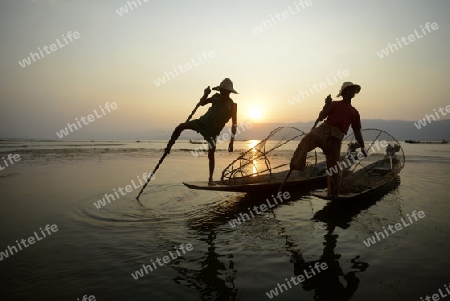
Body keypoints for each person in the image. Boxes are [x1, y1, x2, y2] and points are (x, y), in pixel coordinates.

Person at [290, 82, 367, 197]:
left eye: (353, 90)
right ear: (344, 92)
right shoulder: (335, 104)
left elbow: (357, 132)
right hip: (323, 131)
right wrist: (326, 105)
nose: (352, 92)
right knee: (307, 139)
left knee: (334, 169)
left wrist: (362, 146)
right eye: (349, 90)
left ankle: (333, 191)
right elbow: (321, 117)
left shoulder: (354, 112)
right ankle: (296, 164)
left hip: (336, 138)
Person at [166, 78, 238, 185]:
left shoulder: (233, 106)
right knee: (180, 127)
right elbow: (202, 103)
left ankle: (210, 179)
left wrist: (231, 142)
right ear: (220, 90)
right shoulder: (215, 97)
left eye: (225, 92)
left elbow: (234, 125)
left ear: (229, 93)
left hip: (213, 131)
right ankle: (168, 147)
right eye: (221, 91)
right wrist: (205, 94)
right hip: (202, 123)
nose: (222, 93)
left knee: (211, 153)